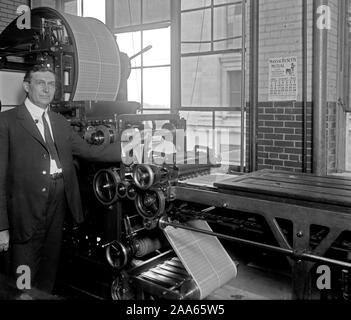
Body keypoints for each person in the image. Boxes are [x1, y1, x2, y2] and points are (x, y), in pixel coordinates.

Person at [0, 65, 121, 294]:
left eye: (52, 84)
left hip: (58, 208)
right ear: (27, 86)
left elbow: (89, 151)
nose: (47, 89)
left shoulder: (59, 122)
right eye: (40, 83)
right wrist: (1, 227)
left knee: (49, 271)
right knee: (23, 277)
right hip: (25, 212)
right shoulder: (7, 122)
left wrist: (130, 149)